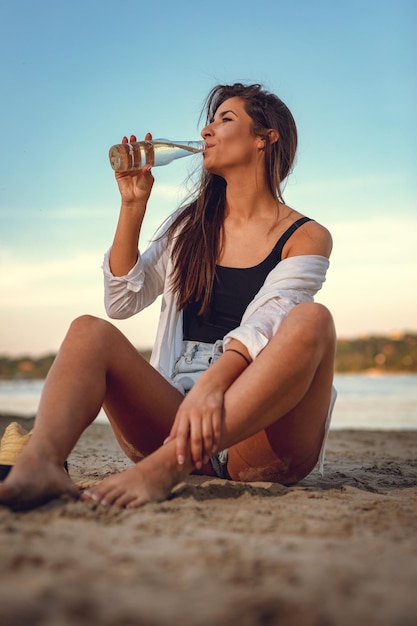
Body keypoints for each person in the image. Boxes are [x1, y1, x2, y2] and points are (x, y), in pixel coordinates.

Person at [0, 83, 336, 510]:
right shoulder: (189, 227)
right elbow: (121, 303)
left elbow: (272, 316)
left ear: (265, 138)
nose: (207, 131)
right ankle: (40, 461)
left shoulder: (306, 235)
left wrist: (213, 385)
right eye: (210, 121)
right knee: (87, 331)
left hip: (260, 436)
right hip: (172, 413)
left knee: (312, 320)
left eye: (225, 119)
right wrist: (132, 207)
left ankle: (167, 468)